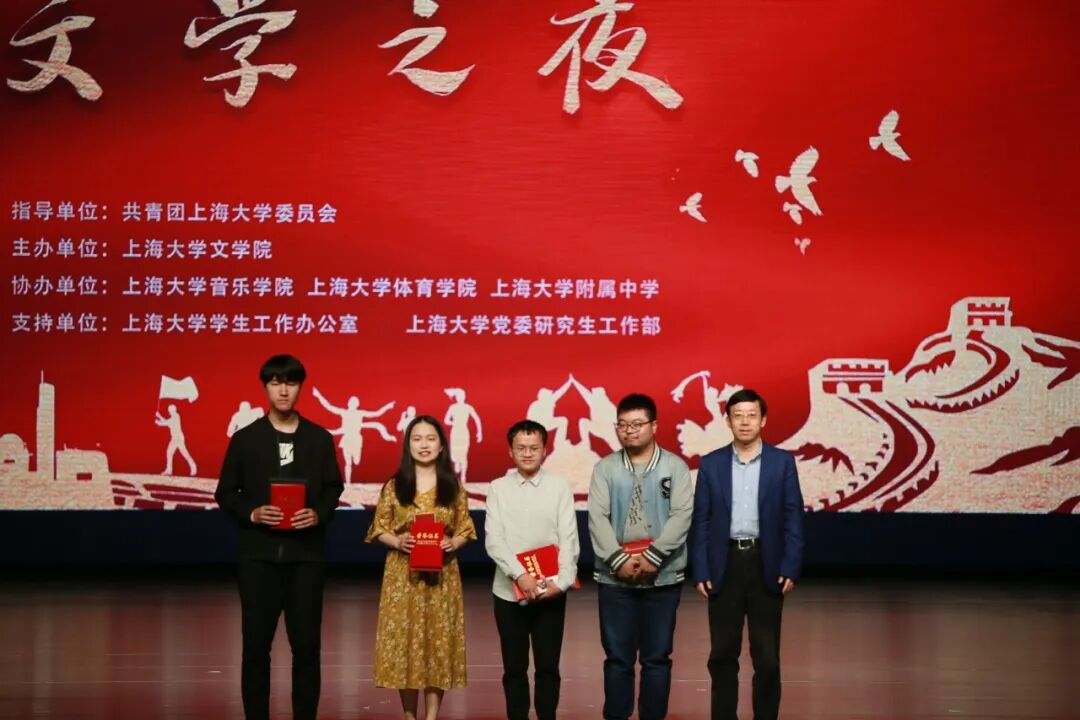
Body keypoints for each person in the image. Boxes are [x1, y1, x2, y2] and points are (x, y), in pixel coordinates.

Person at [215, 354, 344, 720]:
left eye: (290, 383)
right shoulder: (246, 439)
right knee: (256, 649)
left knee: (307, 648)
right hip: (258, 559)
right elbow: (226, 492)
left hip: (306, 560)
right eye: (276, 383)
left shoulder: (319, 439)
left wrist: (318, 512)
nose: (283, 390)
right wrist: (252, 512)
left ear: (300, 387)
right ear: (266, 388)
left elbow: (333, 487)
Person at [690, 389, 805, 720]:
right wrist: (700, 569)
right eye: (737, 415)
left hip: (765, 564)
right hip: (724, 564)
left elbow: (793, 518)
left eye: (751, 415)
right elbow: (702, 520)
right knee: (722, 654)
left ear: (763, 420)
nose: (744, 422)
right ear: (727, 420)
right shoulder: (711, 464)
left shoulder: (782, 463)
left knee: (767, 657)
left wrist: (790, 566)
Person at [588, 393, 693, 720]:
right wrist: (618, 560)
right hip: (614, 579)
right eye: (623, 425)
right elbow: (597, 518)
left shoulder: (675, 467)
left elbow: (682, 515)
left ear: (654, 426)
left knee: (656, 659)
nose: (629, 431)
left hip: (663, 577)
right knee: (617, 659)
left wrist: (655, 556)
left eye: (637, 424)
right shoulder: (605, 468)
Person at [366, 415, 477, 720]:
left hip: (442, 576)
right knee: (406, 641)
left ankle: (431, 716)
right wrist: (397, 541)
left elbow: (465, 528)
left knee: (436, 642)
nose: (424, 444)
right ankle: (408, 715)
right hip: (403, 575)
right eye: (417, 439)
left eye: (430, 438)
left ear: (441, 446)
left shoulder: (452, 486)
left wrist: (454, 543)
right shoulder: (395, 485)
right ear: (408, 445)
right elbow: (378, 528)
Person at [485, 420, 580, 720]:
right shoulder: (498, 488)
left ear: (545, 450)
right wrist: (520, 576)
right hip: (508, 593)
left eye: (534, 448)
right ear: (510, 451)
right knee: (514, 668)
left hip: (551, 591)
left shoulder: (559, 487)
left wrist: (561, 583)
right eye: (521, 448)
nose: (527, 454)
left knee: (548, 666)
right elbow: (494, 540)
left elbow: (569, 538)